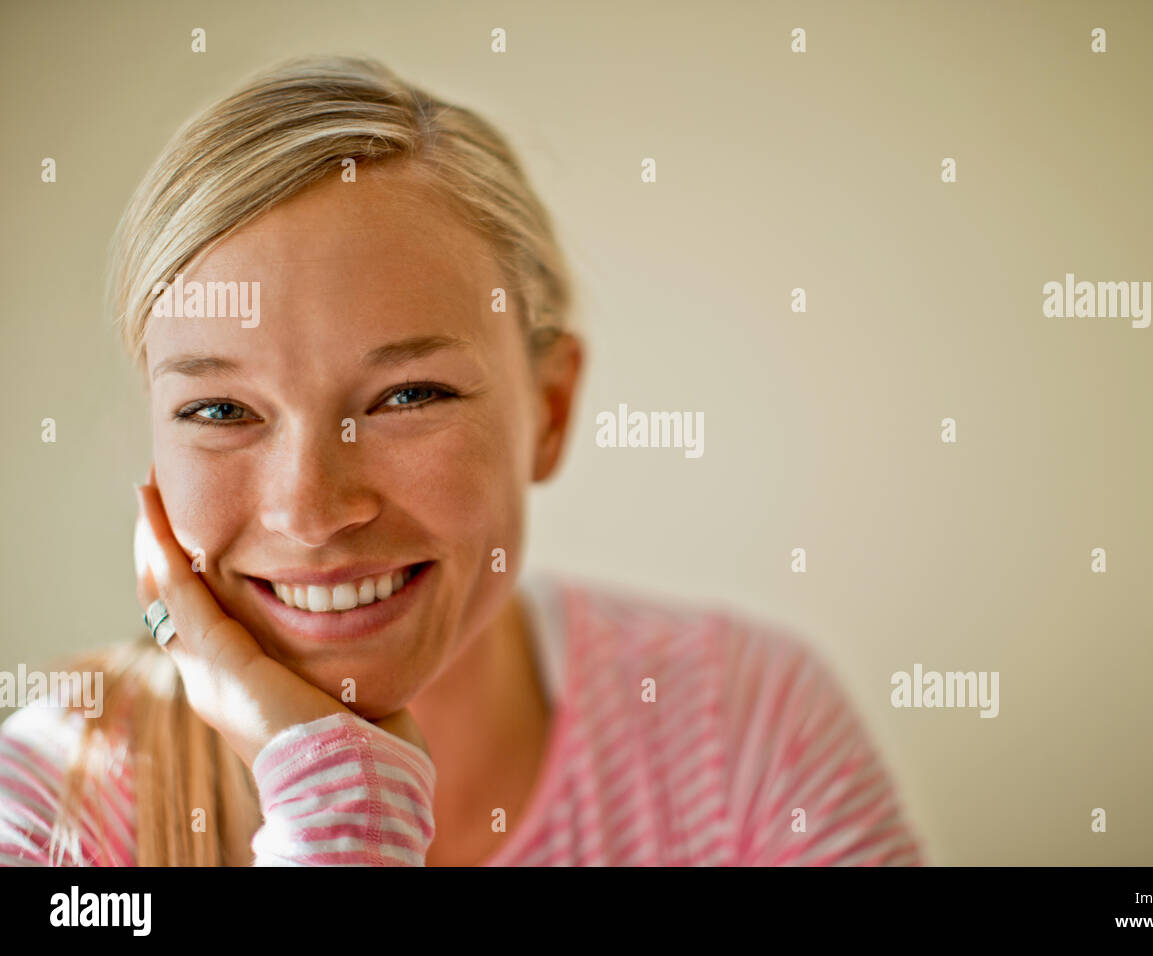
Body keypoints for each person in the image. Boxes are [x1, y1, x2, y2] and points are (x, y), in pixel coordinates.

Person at [0, 55, 925, 867]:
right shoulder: (53, 799)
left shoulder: (746, 725)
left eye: (409, 397)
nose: (310, 510)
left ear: (550, 413)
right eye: (220, 410)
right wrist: (341, 817)